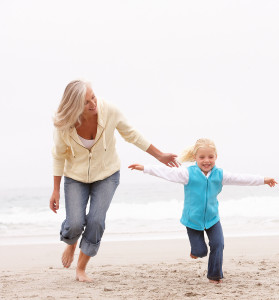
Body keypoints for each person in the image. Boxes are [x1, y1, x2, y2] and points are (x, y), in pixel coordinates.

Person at [49, 79, 179, 282]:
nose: (93, 103)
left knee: (96, 221)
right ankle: (71, 242)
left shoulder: (109, 110)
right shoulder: (64, 125)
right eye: (85, 102)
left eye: (93, 96)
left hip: (107, 175)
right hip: (75, 177)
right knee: (74, 223)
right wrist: (55, 189)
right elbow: (58, 155)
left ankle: (81, 269)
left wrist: (159, 155)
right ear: (74, 105)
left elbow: (132, 135)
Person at [128, 138, 277, 284]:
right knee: (201, 252)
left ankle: (214, 275)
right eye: (202, 157)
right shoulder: (187, 173)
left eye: (210, 157)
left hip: (212, 219)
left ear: (216, 157)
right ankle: (196, 251)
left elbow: (242, 178)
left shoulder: (220, 174)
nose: (207, 161)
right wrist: (145, 168)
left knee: (218, 244)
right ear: (195, 158)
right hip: (192, 220)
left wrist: (264, 180)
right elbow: (166, 172)